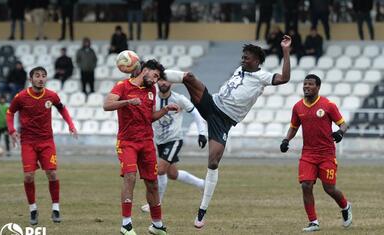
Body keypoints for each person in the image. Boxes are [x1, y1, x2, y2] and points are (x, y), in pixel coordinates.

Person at [163, 35, 292, 228]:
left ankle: (201, 212)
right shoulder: (241, 69)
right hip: (212, 104)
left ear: (256, 61)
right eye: (243, 56)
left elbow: (285, 78)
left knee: (213, 161)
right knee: (188, 77)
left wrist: (285, 51)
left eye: (247, 57)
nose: (243, 60)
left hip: (223, 121)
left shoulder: (262, 77)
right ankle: (152, 74)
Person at [103, 59, 179, 235]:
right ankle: (126, 224)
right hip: (127, 142)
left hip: (146, 143)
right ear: (145, 70)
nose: (155, 80)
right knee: (130, 177)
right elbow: (107, 105)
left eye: (158, 77)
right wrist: (127, 102)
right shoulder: (122, 86)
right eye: (154, 75)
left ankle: (157, 225)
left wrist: (166, 109)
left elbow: (149, 117)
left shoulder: (151, 90)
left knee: (152, 183)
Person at [280, 74, 352, 232]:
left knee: (329, 189)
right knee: (306, 185)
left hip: (326, 154)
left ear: (318, 87)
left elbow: (344, 124)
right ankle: (313, 222)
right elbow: (294, 127)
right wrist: (286, 140)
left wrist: (340, 133)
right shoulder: (298, 107)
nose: (306, 86)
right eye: (305, 84)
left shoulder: (328, 105)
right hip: (308, 154)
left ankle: (345, 206)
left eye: (310, 84)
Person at [6, 66, 77, 225]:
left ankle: (56, 209)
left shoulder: (51, 95)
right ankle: (33, 210)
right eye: (37, 76)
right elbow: (10, 113)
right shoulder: (21, 97)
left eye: (43, 76)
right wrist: (11, 130)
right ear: (31, 80)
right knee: (29, 176)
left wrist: (71, 125)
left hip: (46, 141)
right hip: (28, 142)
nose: (41, 78)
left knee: (52, 174)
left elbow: (62, 109)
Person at [140, 79, 208, 213]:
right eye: (161, 81)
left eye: (167, 81)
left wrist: (202, 133)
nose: (164, 83)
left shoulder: (179, 99)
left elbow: (196, 113)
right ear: (156, 82)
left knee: (159, 170)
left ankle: (155, 204)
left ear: (173, 83)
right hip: (159, 141)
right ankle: (202, 184)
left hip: (174, 140)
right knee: (172, 174)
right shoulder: (152, 99)